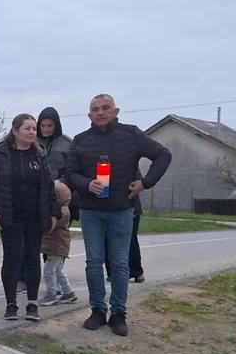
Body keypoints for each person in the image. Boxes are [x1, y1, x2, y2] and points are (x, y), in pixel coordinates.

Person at [67, 94, 172, 336]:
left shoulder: (131, 134)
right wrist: (86, 184)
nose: (100, 112)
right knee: (94, 262)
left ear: (116, 111)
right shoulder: (81, 140)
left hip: (121, 209)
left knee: (119, 263)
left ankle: (118, 314)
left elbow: (163, 155)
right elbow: (70, 173)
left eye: (106, 108)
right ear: (89, 115)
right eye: (95, 109)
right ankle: (97, 310)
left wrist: (145, 183)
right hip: (91, 211)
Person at [0, 114, 61, 321]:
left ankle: (32, 304)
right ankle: (11, 304)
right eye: (28, 128)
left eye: (34, 129)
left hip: (35, 216)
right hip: (10, 216)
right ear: (15, 131)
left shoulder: (38, 154)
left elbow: (49, 186)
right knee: (12, 259)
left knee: (33, 259)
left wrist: (54, 213)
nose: (32, 132)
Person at [39, 181, 78, 306]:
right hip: (55, 245)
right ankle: (68, 292)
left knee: (48, 271)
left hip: (57, 246)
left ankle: (51, 294)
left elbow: (51, 224)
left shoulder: (62, 212)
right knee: (58, 270)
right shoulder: (61, 210)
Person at [105, 168, 145, 283]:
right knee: (107, 240)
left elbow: (139, 181)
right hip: (107, 206)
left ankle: (136, 271)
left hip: (130, 206)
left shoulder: (130, 162)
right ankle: (112, 272)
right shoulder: (103, 163)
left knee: (130, 240)